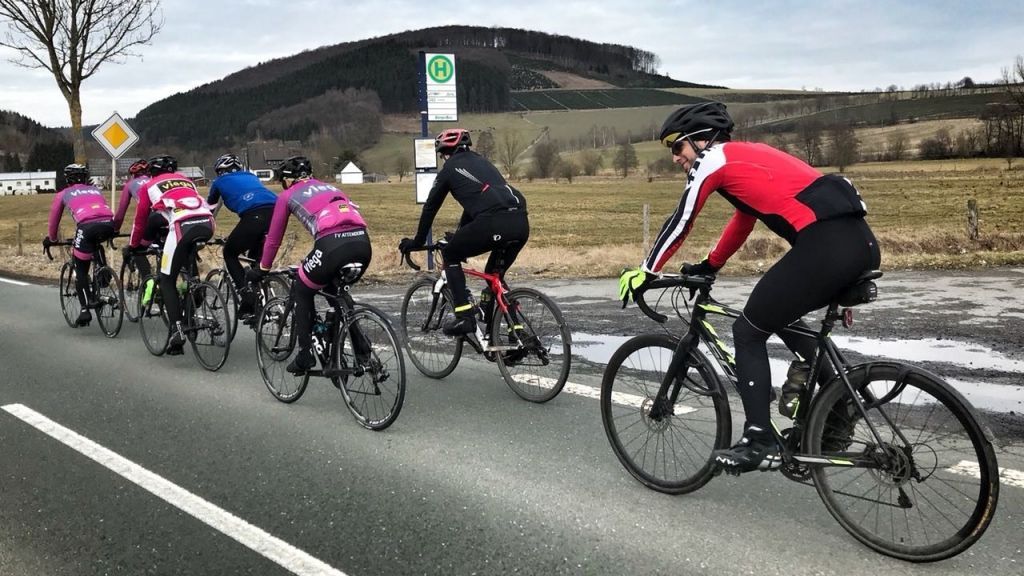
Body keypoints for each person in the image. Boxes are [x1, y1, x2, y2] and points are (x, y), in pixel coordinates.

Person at [618, 102, 881, 474]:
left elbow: (681, 220)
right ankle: (841, 401)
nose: (675, 157)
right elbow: (743, 221)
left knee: (747, 331)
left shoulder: (714, 159)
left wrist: (647, 270)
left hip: (827, 246)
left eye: (677, 147)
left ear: (700, 139)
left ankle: (759, 439)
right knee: (777, 315)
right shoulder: (749, 158)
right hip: (858, 244)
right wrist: (711, 264)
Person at [398, 128, 529, 336]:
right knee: (494, 276)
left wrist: (417, 241)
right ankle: (519, 333)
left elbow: (430, 207)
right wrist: (461, 234)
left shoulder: (449, 169)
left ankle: (465, 317)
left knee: (451, 254)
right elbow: (477, 204)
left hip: (493, 222)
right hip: (520, 223)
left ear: (447, 152)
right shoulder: (483, 163)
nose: (443, 159)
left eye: (442, 155)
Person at [248, 156, 371, 374]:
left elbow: (274, 239)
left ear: (287, 180)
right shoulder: (330, 187)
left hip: (332, 245)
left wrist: (262, 269)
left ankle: (305, 355)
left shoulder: (287, 196)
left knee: (302, 290)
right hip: (362, 243)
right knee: (336, 290)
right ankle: (361, 347)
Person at [128, 155, 216, 355]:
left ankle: (177, 331)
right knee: (189, 269)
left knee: (167, 279)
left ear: (152, 172)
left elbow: (140, 221)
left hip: (181, 226)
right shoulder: (187, 180)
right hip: (207, 223)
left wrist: (134, 245)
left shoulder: (148, 186)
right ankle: (194, 297)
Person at [44, 164, 116, 327]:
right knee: (96, 244)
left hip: (87, 226)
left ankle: (85, 309)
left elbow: (54, 220)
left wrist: (52, 239)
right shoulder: (95, 190)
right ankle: (103, 274)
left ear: (67, 178)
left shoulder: (63, 193)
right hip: (108, 224)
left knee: (80, 267)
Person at [206, 153, 277, 317]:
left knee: (229, 253)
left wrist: (206, 232)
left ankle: (248, 297)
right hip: (276, 212)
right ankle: (261, 301)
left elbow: (209, 209)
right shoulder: (251, 176)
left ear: (220, 171)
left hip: (254, 215)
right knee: (255, 260)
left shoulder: (219, 182)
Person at [113, 158, 160, 279]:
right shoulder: (157, 180)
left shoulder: (130, 184)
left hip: (150, 220)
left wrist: (115, 229)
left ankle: (148, 282)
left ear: (133, 175)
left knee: (137, 249)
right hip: (169, 216)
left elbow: (121, 213)